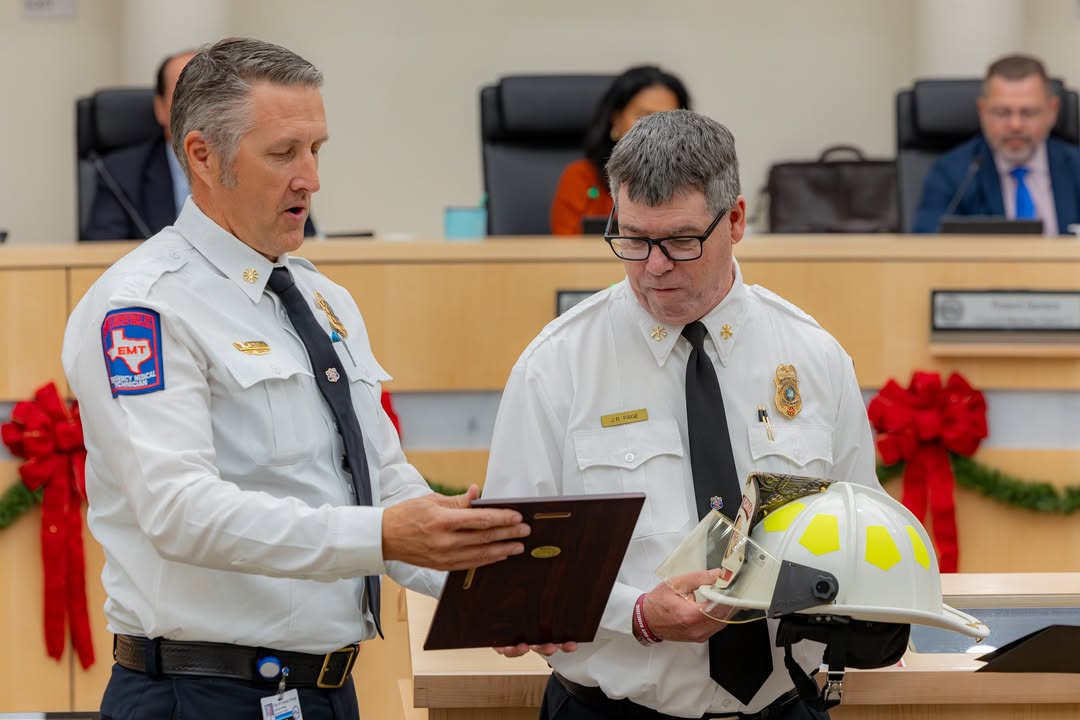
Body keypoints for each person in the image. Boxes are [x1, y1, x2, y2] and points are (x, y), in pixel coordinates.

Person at [62, 37, 530, 719]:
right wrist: (382, 535)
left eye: (318, 150)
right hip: (200, 694)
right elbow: (180, 512)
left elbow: (382, 481)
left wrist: (495, 592)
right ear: (202, 156)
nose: (311, 178)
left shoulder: (322, 298)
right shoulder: (143, 307)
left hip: (328, 691)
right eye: (283, 153)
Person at [484, 109, 881, 719]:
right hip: (612, 711)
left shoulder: (812, 356)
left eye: (680, 241)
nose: (653, 267)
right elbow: (514, 571)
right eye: (633, 239)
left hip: (783, 707)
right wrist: (635, 616)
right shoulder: (556, 366)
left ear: (737, 220)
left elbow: (862, 528)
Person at [82, 48, 316, 241]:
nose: (201, 109)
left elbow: (306, 240)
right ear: (160, 108)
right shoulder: (118, 174)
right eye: (186, 98)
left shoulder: (259, 161)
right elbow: (100, 253)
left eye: (211, 98)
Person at [912, 54, 1080, 235]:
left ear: (1052, 111)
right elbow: (926, 242)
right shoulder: (953, 173)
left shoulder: (1076, 166)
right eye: (1002, 112)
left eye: (1028, 113)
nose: (1015, 125)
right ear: (982, 111)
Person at [549, 65, 690, 235]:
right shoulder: (582, 178)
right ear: (615, 119)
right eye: (644, 117)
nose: (656, 129)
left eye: (668, 120)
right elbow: (564, 253)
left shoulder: (693, 182)